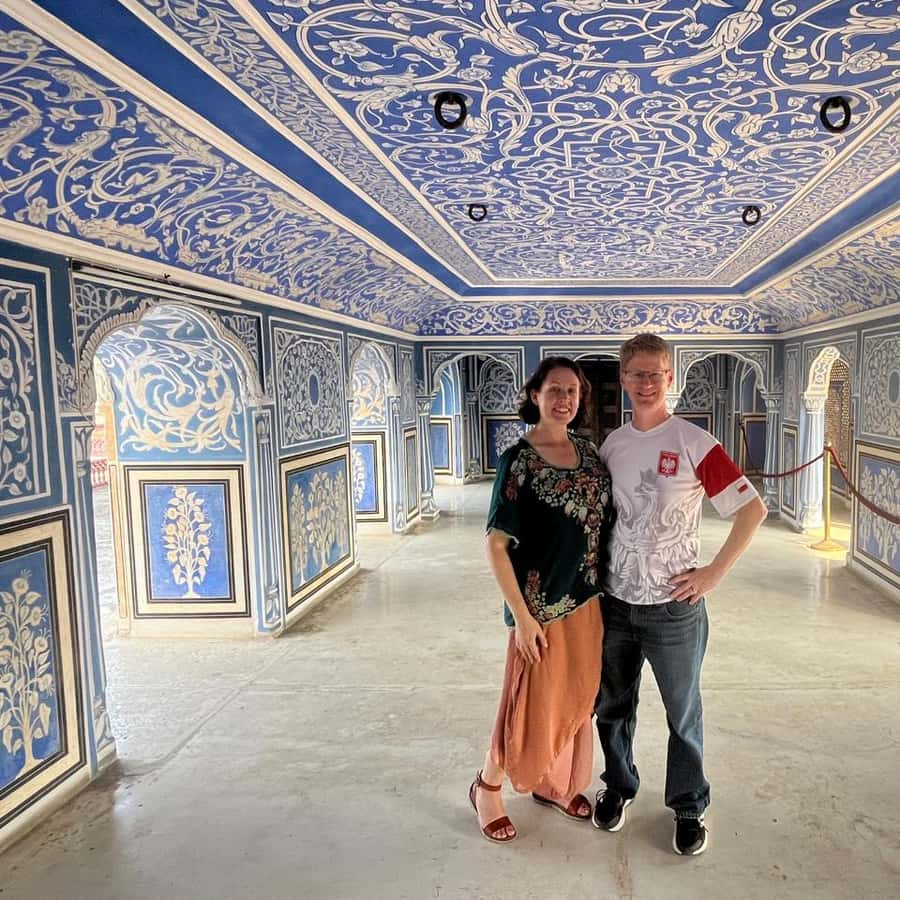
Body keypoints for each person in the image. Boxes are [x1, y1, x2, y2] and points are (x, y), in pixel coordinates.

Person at [592, 334, 767, 856]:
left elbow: (751, 509)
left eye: (656, 373)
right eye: (636, 374)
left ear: (670, 377)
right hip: (617, 603)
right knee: (612, 706)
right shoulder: (613, 445)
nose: (646, 383)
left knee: (682, 712)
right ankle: (618, 785)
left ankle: (689, 805)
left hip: (674, 608)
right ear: (623, 379)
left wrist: (713, 573)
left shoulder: (694, 441)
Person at [469, 357, 613, 843]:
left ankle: (554, 784)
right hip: (540, 609)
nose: (564, 399)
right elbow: (496, 545)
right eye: (554, 389)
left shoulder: (590, 453)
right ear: (536, 395)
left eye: (572, 391)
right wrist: (522, 618)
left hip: (587, 600)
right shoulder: (520, 460)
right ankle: (487, 787)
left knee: (576, 696)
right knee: (526, 702)